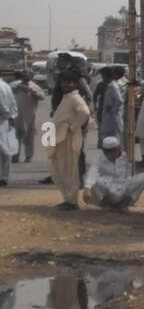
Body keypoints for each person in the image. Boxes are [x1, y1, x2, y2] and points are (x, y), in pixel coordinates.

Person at [50, 72, 91, 209]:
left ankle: (72, 202)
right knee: (59, 170)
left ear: (75, 84)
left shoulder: (75, 98)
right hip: (60, 138)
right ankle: (68, 199)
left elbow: (85, 113)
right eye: (63, 82)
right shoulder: (66, 98)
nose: (65, 85)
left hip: (68, 139)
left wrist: (72, 127)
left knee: (69, 170)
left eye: (69, 82)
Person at [82, 135, 144, 211]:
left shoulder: (125, 156)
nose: (120, 151)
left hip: (123, 188)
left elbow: (130, 176)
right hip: (108, 190)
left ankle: (123, 205)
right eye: (117, 150)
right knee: (92, 180)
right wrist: (87, 188)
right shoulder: (98, 157)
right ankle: (107, 206)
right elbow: (92, 171)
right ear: (109, 152)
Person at [13, 70, 45, 162]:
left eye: (27, 75)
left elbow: (42, 96)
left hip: (30, 115)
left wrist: (31, 91)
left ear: (31, 76)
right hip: (17, 115)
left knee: (29, 136)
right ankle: (15, 155)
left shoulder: (34, 86)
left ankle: (28, 155)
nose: (24, 77)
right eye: (23, 75)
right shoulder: (16, 86)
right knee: (16, 136)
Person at [99, 66, 125, 150]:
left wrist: (112, 110)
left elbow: (119, 101)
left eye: (103, 77)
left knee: (114, 144)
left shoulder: (114, 87)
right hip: (109, 120)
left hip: (113, 121)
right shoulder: (110, 86)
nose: (102, 79)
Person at [0, 77, 17, 186]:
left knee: (3, 150)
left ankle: (3, 177)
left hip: (2, 118)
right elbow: (13, 104)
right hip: (5, 120)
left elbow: (1, 105)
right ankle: (4, 176)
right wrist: (11, 116)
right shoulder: (6, 85)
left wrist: (7, 115)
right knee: (4, 150)